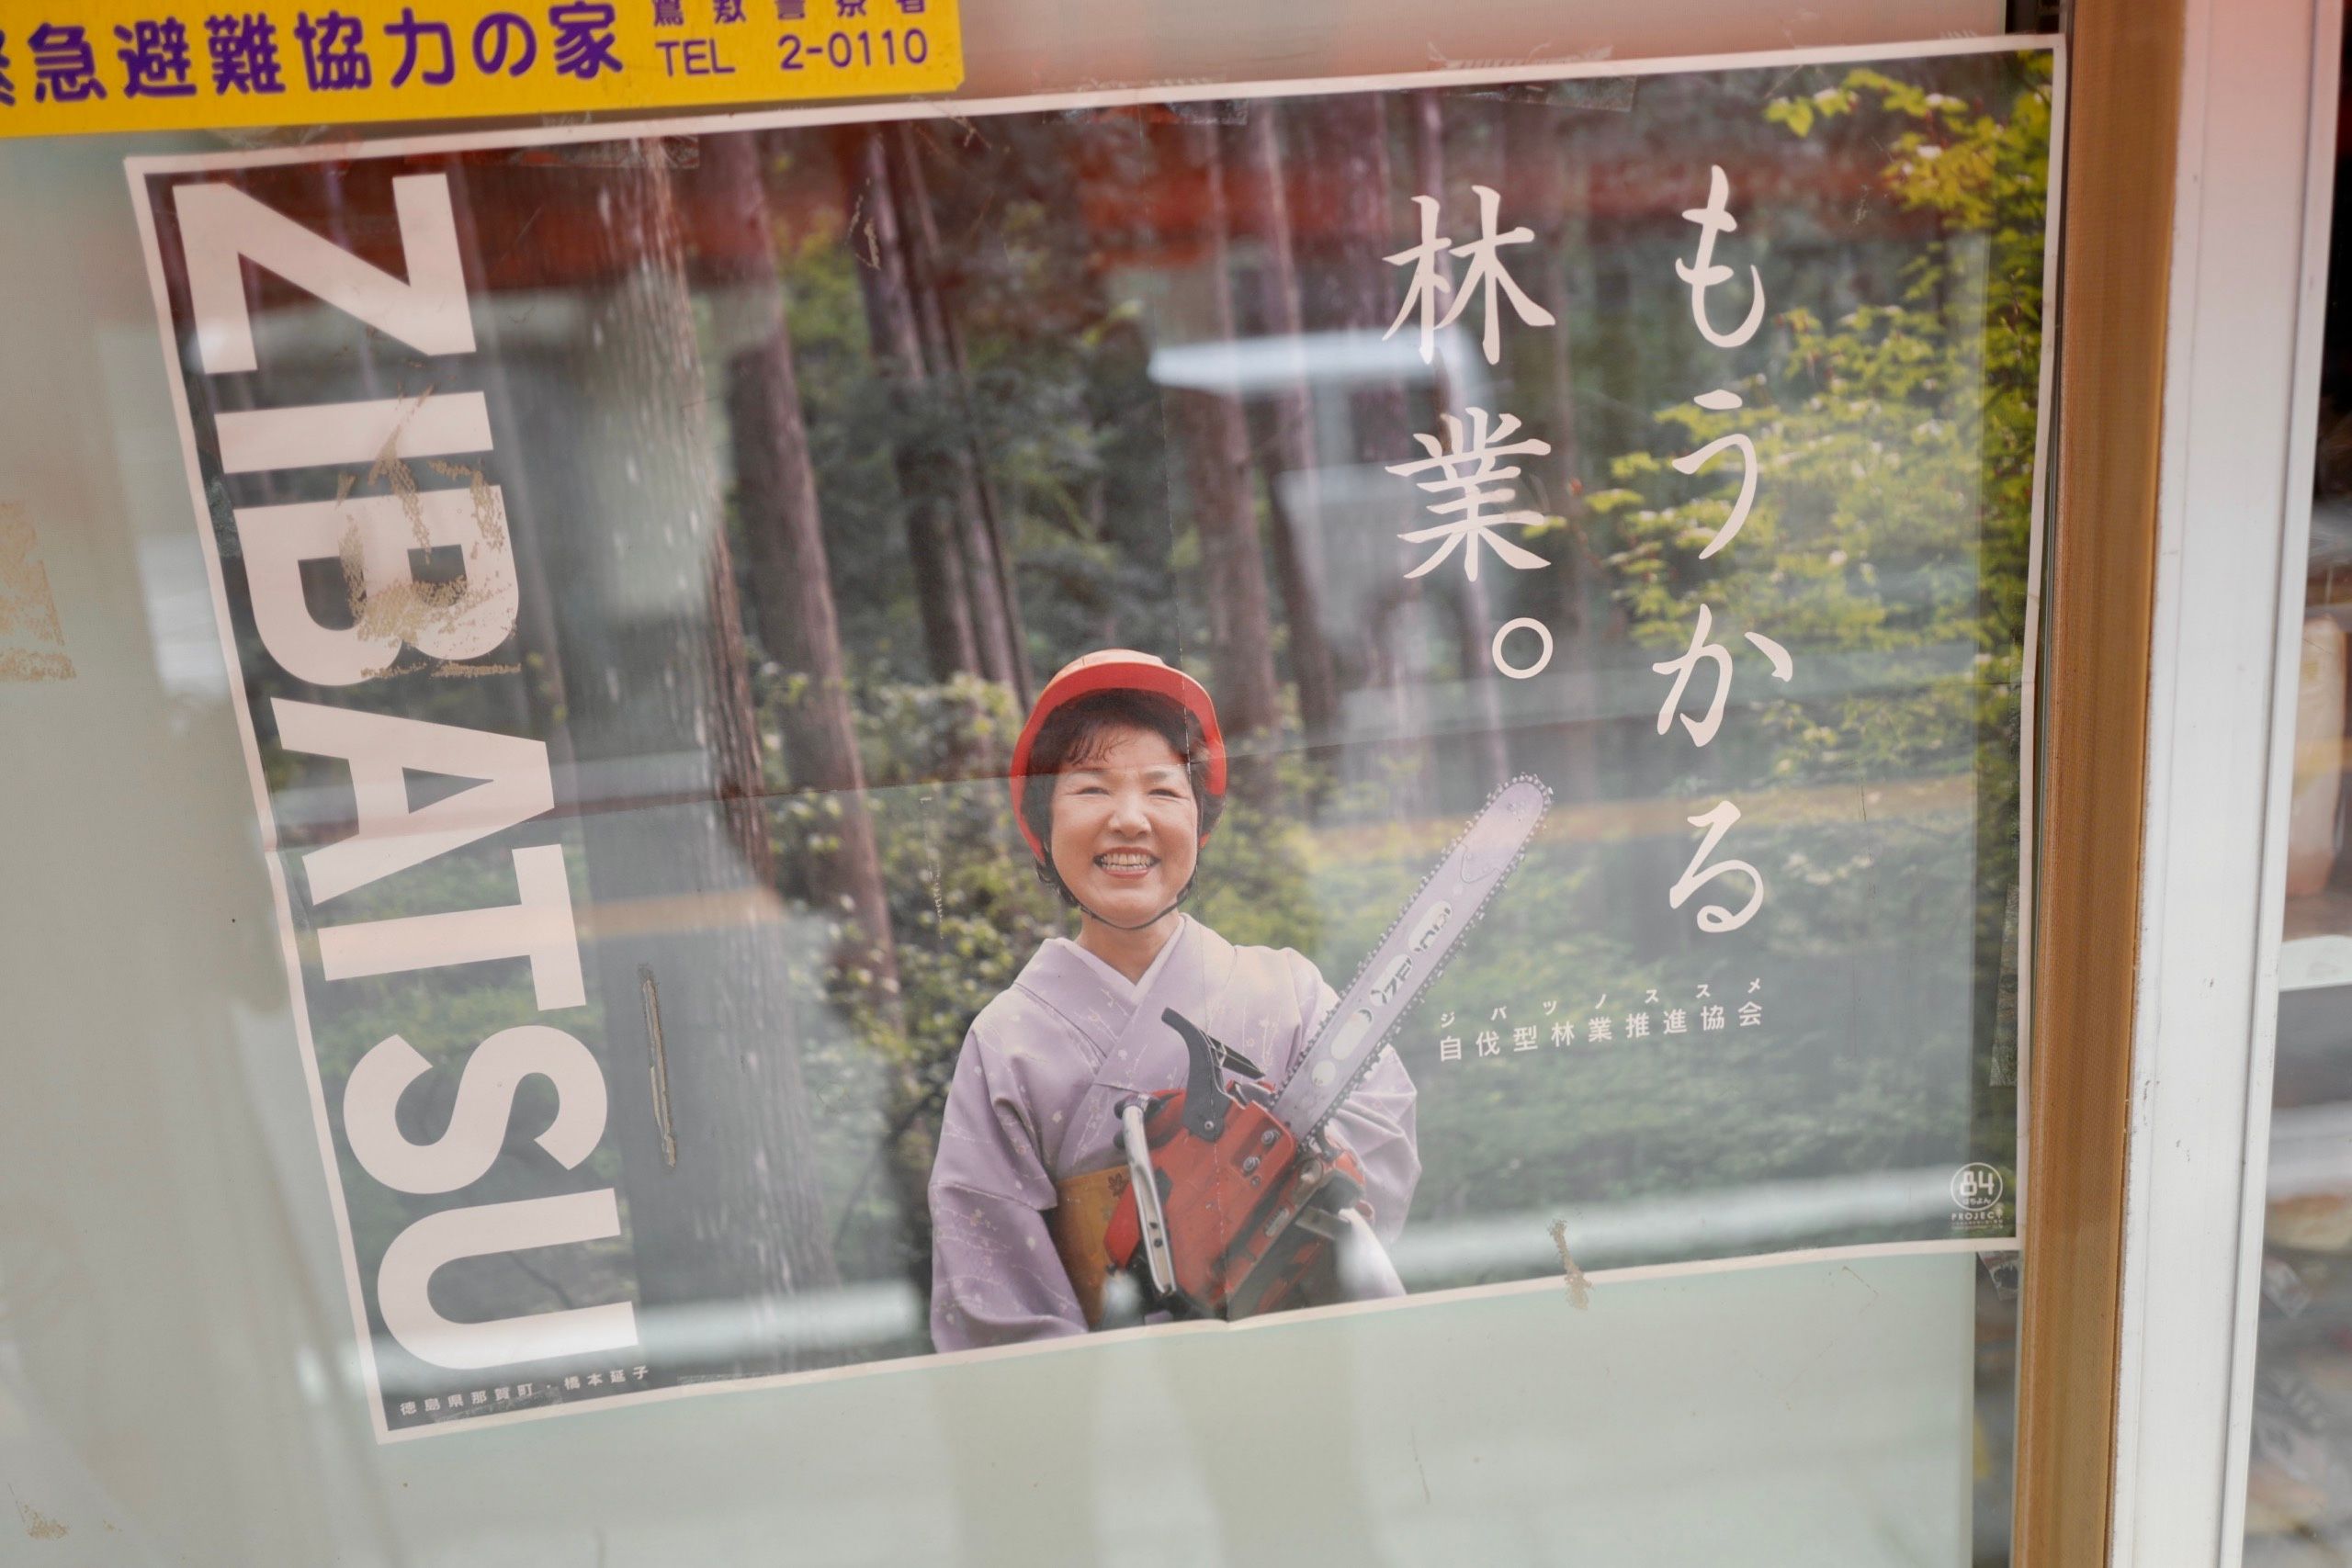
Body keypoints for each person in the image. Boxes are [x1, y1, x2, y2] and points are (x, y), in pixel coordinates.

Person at [927, 649, 1420, 1353]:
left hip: (1310, 1360)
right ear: (1043, 824)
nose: (1129, 819)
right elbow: (990, 1287)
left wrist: (1289, 1181)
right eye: (1091, 789)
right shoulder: (1008, 1041)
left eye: (1163, 791)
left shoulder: (1286, 990)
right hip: (1115, 1410)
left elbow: (1385, 1128)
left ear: (1200, 822)